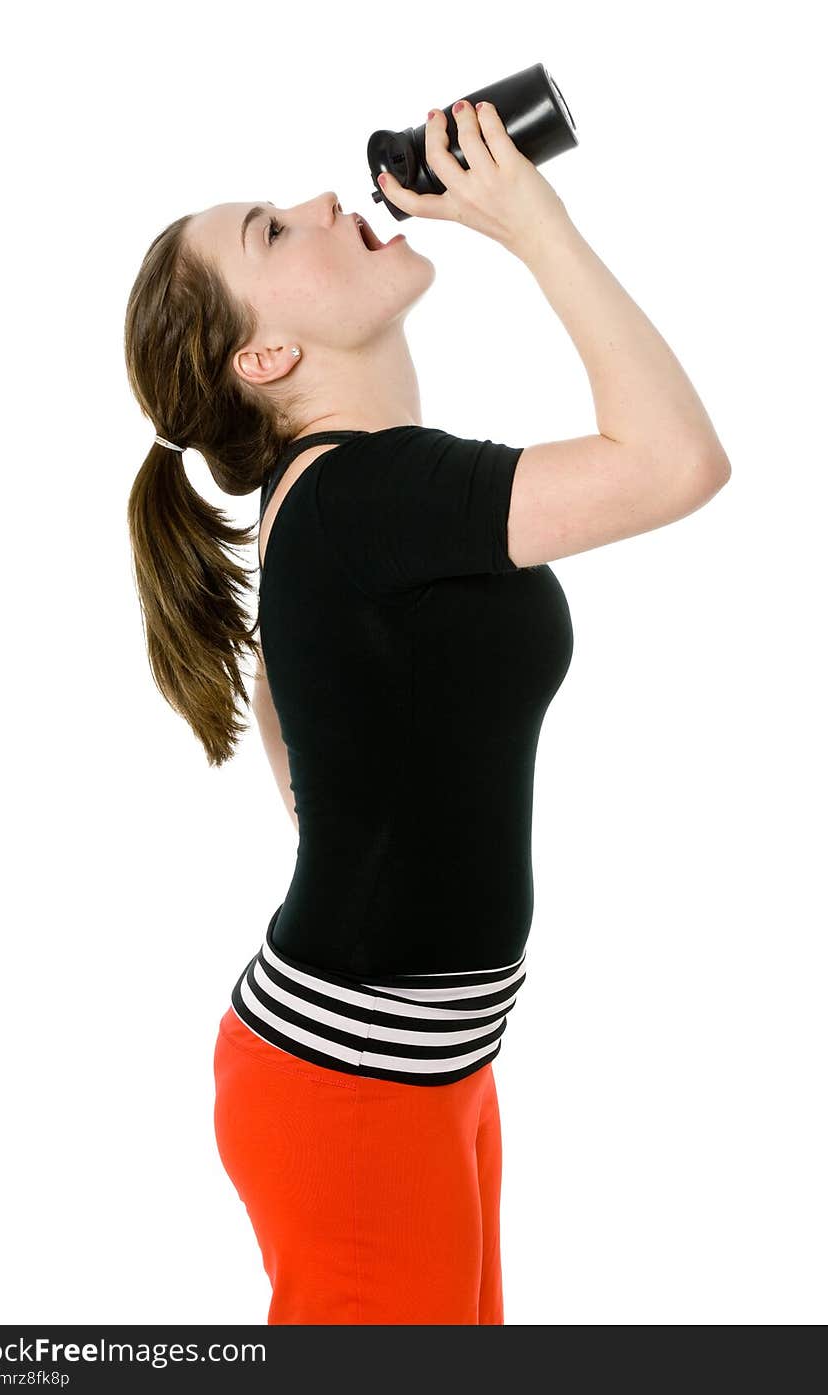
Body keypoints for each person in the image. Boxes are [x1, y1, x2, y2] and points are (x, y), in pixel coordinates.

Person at [124, 98, 731, 1324]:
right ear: (266, 360)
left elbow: (307, 757)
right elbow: (677, 464)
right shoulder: (366, 494)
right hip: (352, 1093)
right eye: (270, 232)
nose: (315, 205)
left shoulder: (347, 499)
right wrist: (531, 222)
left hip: (421, 1073)